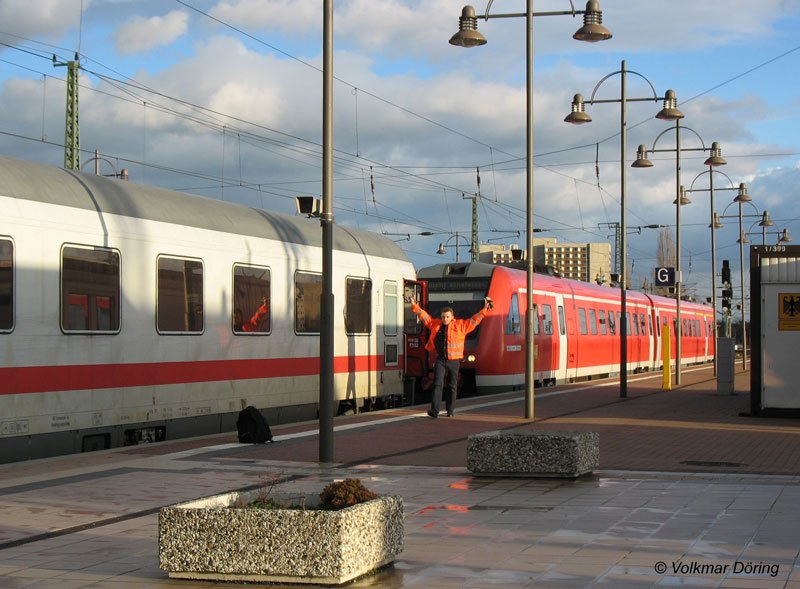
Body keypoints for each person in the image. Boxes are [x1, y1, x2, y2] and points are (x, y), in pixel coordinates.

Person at [409, 294, 492, 418]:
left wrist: (485, 309)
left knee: (452, 386)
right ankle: (435, 410)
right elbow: (424, 317)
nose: (445, 319)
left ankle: (450, 410)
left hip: (454, 361)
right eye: (443, 317)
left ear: (452, 317)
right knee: (438, 384)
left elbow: (475, 320)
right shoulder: (435, 324)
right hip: (441, 359)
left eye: (447, 317)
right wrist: (414, 305)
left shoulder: (461, 326)